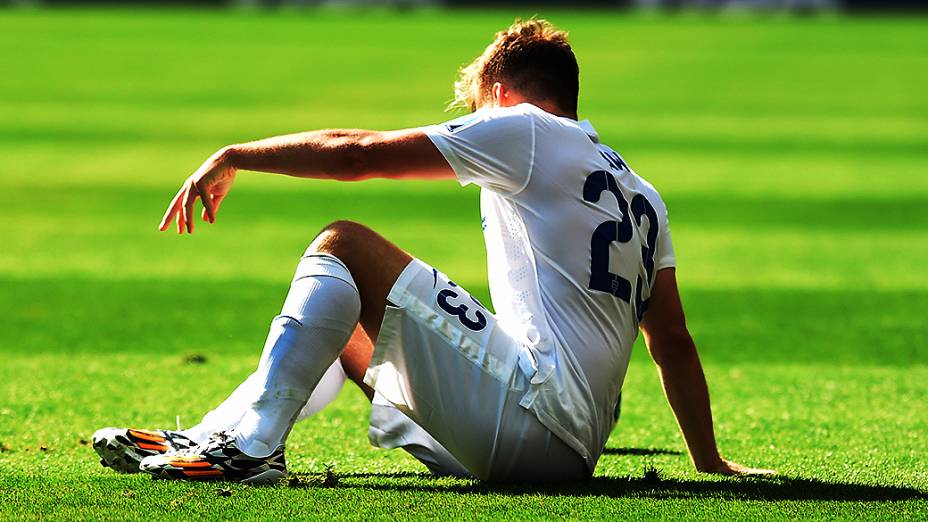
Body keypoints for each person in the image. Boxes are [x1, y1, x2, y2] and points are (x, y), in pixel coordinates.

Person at [93, 19, 773, 484]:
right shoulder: (642, 193)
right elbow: (673, 342)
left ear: (503, 95)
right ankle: (220, 435)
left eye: (479, 107)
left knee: (343, 245)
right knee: (350, 309)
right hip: (570, 451)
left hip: (532, 423)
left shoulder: (525, 128)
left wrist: (235, 153)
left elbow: (356, 155)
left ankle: (252, 447)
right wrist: (707, 462)